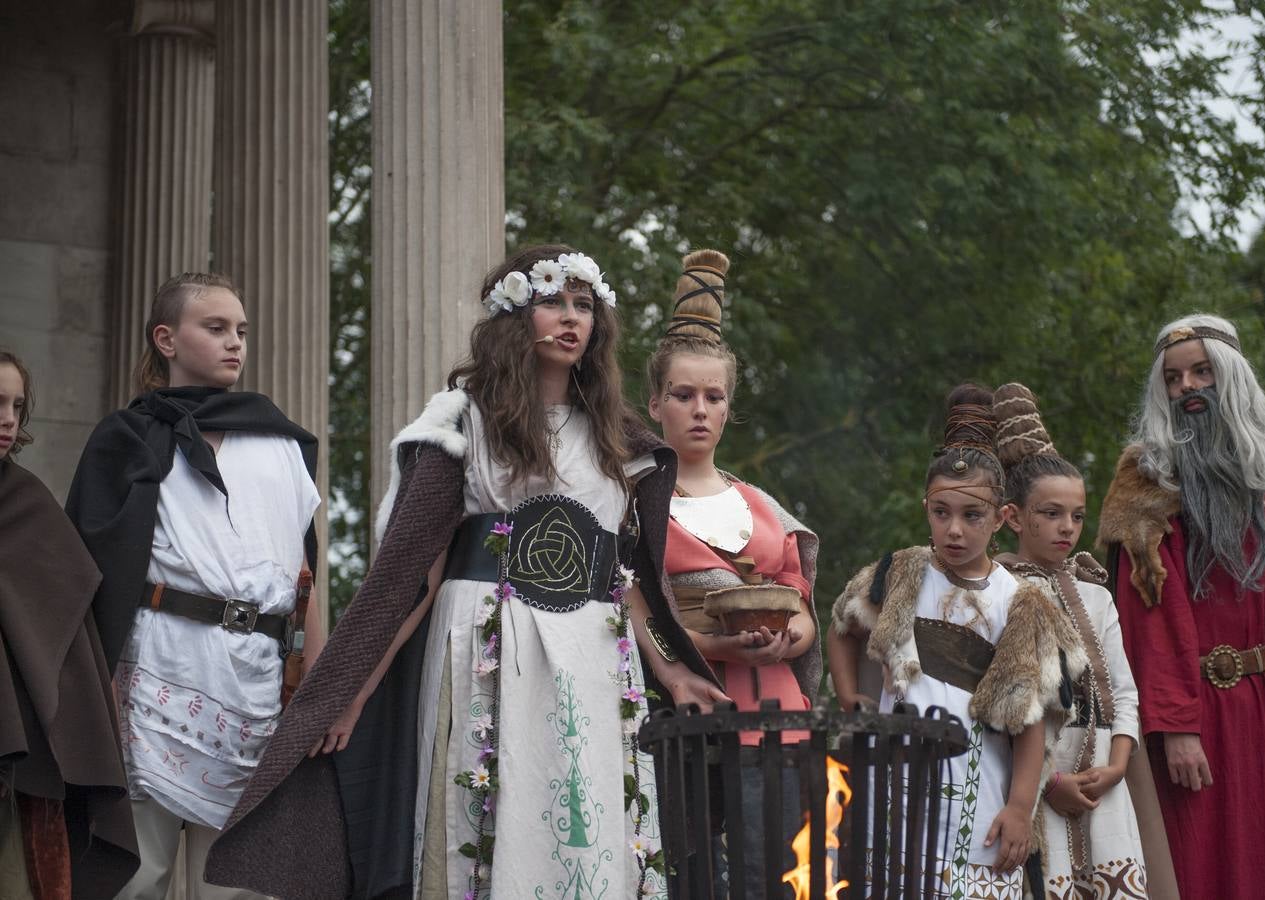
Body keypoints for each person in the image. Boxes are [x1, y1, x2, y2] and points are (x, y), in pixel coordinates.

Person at [203, 245, 727, 899]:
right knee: (491, 817)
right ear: (515, 315)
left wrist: (671, 671)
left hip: (592, 653)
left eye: (583, 305)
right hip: (488, 640)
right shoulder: (464, 421)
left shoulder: (616, 438)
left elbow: (624, 578)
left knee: (585, 823)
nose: (571, 318)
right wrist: (355, 691)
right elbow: (411, 578)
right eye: (552, 302)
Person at [64, 274, 322, 900]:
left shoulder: (281, 442)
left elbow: (305, 576)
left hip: (257, 683)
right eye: (215, 328)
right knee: (137, 875)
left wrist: (318, 687)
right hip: (155, 669)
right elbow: (87, 572)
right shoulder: (127, 437)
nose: (235, 342)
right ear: (167, 339)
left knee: (238, 884)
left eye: (241, 331)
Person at [1097, 313, 1265, 900]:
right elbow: (1150, 615)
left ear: (1230, 378)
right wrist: (1177, 727)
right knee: (1198, 868)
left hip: (1263, 715)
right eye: (1173, 378)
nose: (1187, 387)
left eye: (1201, 372)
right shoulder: (1146, 485)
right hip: (1194, 716)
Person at [830, 384, 1084, 899]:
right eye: (940, 512)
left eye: (971, 516)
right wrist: (848, 694)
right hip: (892, 788)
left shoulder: (1021, 603)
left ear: (1001, 517)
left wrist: (1020, 808)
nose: (954, 530)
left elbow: (1030, 722)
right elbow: (842, 628)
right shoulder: (901, 573)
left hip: (979, 793)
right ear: (926, 506)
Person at [645, 249, 821, 896]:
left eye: (713, 397)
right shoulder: (634, 506)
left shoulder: (764, 508)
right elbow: (624, 606)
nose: (699, 408)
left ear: (727, 409)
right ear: (655, 403)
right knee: (690, 881)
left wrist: (789, 637)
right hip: (680, 718)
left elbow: (802, 605)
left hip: (778, 717)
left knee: (773, 881)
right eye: (683, 395)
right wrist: (712, 645)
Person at [991, 383, 1151, 899]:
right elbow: (999, 704)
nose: (1067, 528)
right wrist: (1049, 782)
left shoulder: (1097, 596)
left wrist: (1119, 765)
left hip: (1108, 780)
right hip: (1035, 783)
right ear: (1013, 517)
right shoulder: (997, 591)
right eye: (1051, 513)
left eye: (1078, 516)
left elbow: (1124, 692)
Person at [0, 351, 138, 899]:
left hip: (17, 776)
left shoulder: (29, 507)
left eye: (17, 406)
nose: (8, 419)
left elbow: (70, 646)